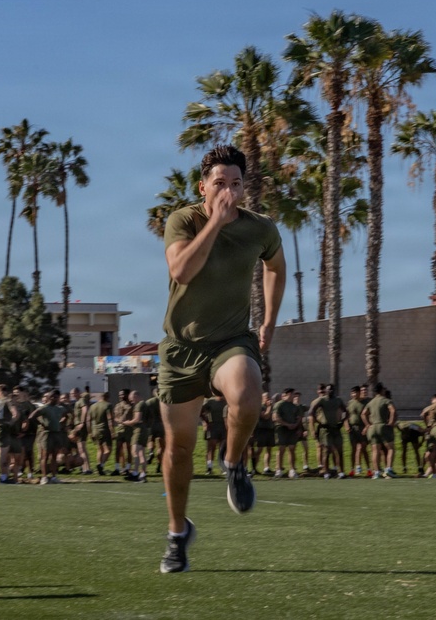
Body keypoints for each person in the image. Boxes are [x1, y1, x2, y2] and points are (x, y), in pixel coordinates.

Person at [156, 145, 286, 574]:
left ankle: (233, 464)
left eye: (235, 183)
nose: (228, 191)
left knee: (248, 395)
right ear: (202, 187)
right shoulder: (184, 220)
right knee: (179, 449)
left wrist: (269, 321)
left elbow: (276, 267)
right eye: (219, 183)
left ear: (245, 188)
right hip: (180, 349)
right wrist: (214, 222)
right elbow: (181, 271)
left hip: (230, 341)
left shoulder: (260, 228)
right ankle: (178, 533)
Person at [361, 383, 397, 478]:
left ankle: (376, 472)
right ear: (382, 390)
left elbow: (363, 414)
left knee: (375, 451)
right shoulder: (386, 400)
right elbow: (393, 410)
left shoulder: (371, 402)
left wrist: (368, 425)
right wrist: (391, 422)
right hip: (382, 426)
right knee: (391, 448)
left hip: (372, 428)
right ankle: (388, 469)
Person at [311, 385, 347, 478]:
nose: (330, 391)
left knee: (339, 450)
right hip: (325, 429)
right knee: (326, 451)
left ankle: (341, 472)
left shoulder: (338, 400)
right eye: (328, 389)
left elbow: (346, 411)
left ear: (334, 390)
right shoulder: (322, 400)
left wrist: (342, 422)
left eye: (332, 389)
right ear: (326, 391)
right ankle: (326, 472)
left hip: (336, 428)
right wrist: (319, 422)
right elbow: (311, 411)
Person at [273, 389, 300, 478]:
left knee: (292, 448)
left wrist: (296, 425)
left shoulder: (294, 406)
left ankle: (292, 470)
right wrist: (287, 424)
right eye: (293, 394)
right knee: (281, 448)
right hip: (281, 429)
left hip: (292, 429)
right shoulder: (279, 404)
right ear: (288, 394)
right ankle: (278, 469)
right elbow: (275, 417)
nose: (294, 396)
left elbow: (298, 417)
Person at [123, 390, 149, 482]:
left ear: (136, 396)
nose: (131, 402)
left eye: (132, 399)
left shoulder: (139, 405)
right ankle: (143, 474)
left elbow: (137, 419)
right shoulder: (145, 404)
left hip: (139, 430)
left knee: (135, 451)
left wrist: (127, 423)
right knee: (141, 453)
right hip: (144, 429)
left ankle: (135, 472)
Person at [87, 392, 115, 475]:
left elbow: (88, 420)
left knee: (100, 449)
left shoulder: (92, 406)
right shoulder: (108, 405)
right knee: (108, 450)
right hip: (104, 429)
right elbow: (110, 419)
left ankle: (99, 466)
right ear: (107, 397)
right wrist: (112, 431)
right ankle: (101, 465)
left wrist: (90, 432)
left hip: (95, 430)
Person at [199, 391, 226, 475]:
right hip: (213, 426)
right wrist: (205, 422)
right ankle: (209, 467)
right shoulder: (210, 402)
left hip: (224, 426)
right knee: (211, 447)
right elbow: (200, 411)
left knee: (223, 448)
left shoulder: (227, 402)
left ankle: (223, 467)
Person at [112, 390, 133, 476]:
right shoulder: (118, 405)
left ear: (127, 395)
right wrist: (119, 421)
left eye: (122, 394)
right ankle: (117, 468)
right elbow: (115, 417)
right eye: (120, 395)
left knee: (129, 449)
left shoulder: (132, 405)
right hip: (120, 429)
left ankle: (128, 468)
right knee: (118, 449)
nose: (121, 396)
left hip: (129, 429)